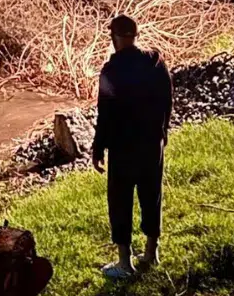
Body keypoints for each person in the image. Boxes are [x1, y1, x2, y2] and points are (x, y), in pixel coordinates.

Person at [92, 15, 173, 280]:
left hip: (123, 145)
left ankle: (125, 263)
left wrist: (98, 149)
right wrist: (163, 131)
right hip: (151, 142)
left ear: (114, 38)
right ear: (135, 36)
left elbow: (105, 113)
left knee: (120, 201)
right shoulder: (155, 62)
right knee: (152, 195)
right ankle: (151, 252)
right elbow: (167, 100)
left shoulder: (111, 71)